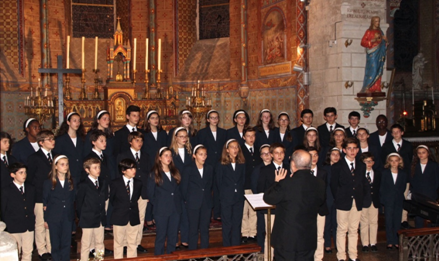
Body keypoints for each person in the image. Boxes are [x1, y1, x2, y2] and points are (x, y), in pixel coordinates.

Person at [263, 150, 326, 261]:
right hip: (307, 238)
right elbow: (321, 201)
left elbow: (268, 198)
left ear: (293, 164)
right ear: (310, 164)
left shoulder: (286, 183)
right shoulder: (319, 183)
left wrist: (277, 182)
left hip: (286, 239)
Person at [330, 137, 368, 261]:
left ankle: (353, 255)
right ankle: (341, 256)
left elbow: (362, 182)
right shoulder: (337, 166)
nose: (352, 151)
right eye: (349, 148)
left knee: (353, 229)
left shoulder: (361, 165)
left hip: (356, 201)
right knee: (342, 229)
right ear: (344, 150)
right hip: (343, 201)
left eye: (354, 148)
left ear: (358, 150)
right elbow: (334, 185)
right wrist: (339, 197)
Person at [116, 131, 150, 253]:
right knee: (126, 216)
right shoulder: (123, 155)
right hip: (128, 192)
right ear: (130, 142)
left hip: (142, 192)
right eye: (136, 140)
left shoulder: (146, 156)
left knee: (140, 218)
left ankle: (136, 242)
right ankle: (125, 243)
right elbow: (119, 174)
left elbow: (148, 175)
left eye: (141, 140)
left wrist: (148, 192)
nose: (139, 143)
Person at [257, 143, 290, 261]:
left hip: (286, 208)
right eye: (276, 153)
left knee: (285, 235)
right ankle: (268, 258)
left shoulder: (289, 168)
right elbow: (261, 190)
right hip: (271, 208)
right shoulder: (265, 170)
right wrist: (276, 182)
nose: (279, 155)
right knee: (270, 236)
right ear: (271, 155)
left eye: (282, 152)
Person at [147, 147, 182, 255]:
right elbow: (150, 193)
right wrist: (158, 203)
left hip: (174, 209)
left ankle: (171, 257)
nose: (169, 158)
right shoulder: (155, 173)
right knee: (161, 236)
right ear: (160, 157)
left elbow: (178, 191)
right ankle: (159, 257)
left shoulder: (175, 171)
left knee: (173, 236)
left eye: (170, 155)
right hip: (161, 209)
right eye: (166, 155)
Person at [26, 130, 55, 260]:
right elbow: (30, 179)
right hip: (39, 196)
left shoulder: (56, 156)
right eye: (49, 139)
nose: (52, 141)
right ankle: (42, 250)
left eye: (53, 139)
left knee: (51, 223)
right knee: (40, 224)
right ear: (41, 143)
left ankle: (51, 248)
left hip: (53, 196)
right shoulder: (34, 158)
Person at [42, 155, 76, 261]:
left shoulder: (70, 182)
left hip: (67, 216)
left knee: (66, 242)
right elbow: (45, 203)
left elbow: (72, 200)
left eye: (66, 164)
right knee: (55, 243)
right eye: (62, 164)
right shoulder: (49, 183)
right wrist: (46, 219)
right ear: (55, 166)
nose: (65, 167)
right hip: (54, 217)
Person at [180, 145, 214, 250]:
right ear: (194, 155)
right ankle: (192, 253)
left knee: (204, 229)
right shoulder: (188, 169)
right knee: (193, 229)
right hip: (193, 202)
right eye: (200, 154)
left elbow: (210, 185)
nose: (203, 157)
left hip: (206, 202)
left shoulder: (209, 168)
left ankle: (205, 253)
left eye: (205, 154)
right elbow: (184, 187)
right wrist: (188, 200)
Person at [196, 110, 227, 222]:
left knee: (219, 188)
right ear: (208, 120)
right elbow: (200, 148)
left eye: (216, 117)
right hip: (207, 164)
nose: (214, 120)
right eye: (212, 118)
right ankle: (206, 213)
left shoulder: (223, 132)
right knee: (207, 189)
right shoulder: (202, 133)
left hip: (220, 164)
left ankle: (217, 213)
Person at [1, 162, 36, 261]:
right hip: (13, 226)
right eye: (21, 173)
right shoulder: (6, 190)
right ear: (13, 175)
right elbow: (3, 209)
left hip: (28, 226)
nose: (24, 175)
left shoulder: (30, 188)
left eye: (25, 172)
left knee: (28, 251)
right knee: (16, 251)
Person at [110, 158, 142, 259]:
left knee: (132, 243)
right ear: (123, 170)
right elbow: (112, 200)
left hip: (133, 215)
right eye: (131, 168)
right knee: (119, 243)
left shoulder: (138, 183)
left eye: (134, 168)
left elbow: (135, 198)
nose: (134, 170)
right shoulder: (115, 183)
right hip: (119, 215)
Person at [76, 158, 108, 261]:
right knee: (86, 244)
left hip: (99, 218)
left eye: (99, 167)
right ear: (87, 170)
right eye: (95, 168)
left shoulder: (103, 182)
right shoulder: (83, 185)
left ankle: (98, 259)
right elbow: (79, 203)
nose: (98, 169)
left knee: (99, 242)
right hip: (87, 218)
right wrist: (82, 216)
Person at [216, 139, 246, 247]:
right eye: (232, 147)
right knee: (227, 224)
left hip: (238, 198)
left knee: (237, 223)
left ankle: (236, 248)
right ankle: (227, 249)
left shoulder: (241, 163)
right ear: (227, 150)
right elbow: (219, 182)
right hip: (226, 198)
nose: (235, 149)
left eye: (237, 147)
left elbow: (242, 180)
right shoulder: (221, 164)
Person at [169, 127, 192, 248]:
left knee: (186, 214)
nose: (184, 139)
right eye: (181, 136)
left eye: (185, 136)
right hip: (175, 187)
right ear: (175, 137)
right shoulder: (171, 152)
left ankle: (185, 238)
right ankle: (174, 239)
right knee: (176, 213)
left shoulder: (190, 152)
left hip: (188, 186)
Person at [380, 153, 407, 250]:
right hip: (388, 200)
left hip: (398, 200)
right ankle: (389, 241)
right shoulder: (385, 173)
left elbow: (403, 187)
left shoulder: (403, 173)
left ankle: (396, 241)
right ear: (388, 162)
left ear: (399, 161)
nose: (394, 163)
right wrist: (383, 199)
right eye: (392, 160)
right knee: (388, 220)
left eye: (396, 160)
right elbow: (382, 187)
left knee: (397, 220)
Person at [53, 112, 86, 188]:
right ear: (68, 122)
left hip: (81, 174)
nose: (77, 123)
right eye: (74, 121)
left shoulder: (82, 139)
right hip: (68, 174)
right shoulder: (60, 140)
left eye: (78, 121)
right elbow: (57, 156)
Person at [409, 145, 439, 228]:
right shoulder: (414, 166)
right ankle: (419, 238)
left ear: (428, 153)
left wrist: (433, 193)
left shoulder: (434, 165)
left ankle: (429, 238)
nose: (421, 155)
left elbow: (437, 181)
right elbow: (411, 180)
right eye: (419, 153)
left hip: (430, 195)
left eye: (423, 152)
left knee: (429, 217)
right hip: (418, 195)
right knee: (419, 217)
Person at [307, 147, 328, 261]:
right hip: (306, 209)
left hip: (320, 208)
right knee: (307, 235)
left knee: (320, 235)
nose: (313, 158)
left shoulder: (323, 172)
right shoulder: (301, 172)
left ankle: (318, 257)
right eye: (311, 155)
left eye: (316, 155)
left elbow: (325, 191)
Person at [241, 127, 261, 243]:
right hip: (244, 184)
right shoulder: (240, 150)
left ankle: (252, 233)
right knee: (244, 210)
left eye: (253, 136)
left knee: (254, 210)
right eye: (248, 136)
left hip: (255, 185)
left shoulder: (258, 150)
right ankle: (244, 232)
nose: (251, 138)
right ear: (244, 137)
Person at [251, 144, 272, 253]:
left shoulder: (276, 167)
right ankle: (262, 248)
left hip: (274, 201)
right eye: (264, 154)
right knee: (261, 226)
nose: (267, 156)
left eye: (269, 153)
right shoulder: (258, 169)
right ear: (261, 156)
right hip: (262, 200)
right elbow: (255, 185)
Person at [359, 152, 381, 252]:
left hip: (374, 200)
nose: (368, 163)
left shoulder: (377, 173)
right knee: (364, 222)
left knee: (373, 222)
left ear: (373, 162)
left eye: (370, 161)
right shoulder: (359, 174)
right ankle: (365, 244)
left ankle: (373, 243)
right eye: (366, 161)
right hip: (364, 201)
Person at [360, 16, 387, 93]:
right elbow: (362, 42)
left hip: (379, 53)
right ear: (372, 22)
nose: (377, 23)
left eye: (378, 21)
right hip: (372, 54)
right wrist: (372, 40)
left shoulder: (380, 32)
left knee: (379, 70)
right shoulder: (369, 31)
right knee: (373, 70)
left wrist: (386, 40)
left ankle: (376, 88)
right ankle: (367, 88)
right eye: (376, 21)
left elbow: (384, 43)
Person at [322, 148, 341, 254]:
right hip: (328, 198)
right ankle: (328, 245)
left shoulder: (342, 168)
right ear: (329, 156)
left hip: (338, 199)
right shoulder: (325, 169)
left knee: (337, 224)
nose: (336, 156)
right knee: (327, 223)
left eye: (338, 154)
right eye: (333, 154)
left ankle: (339, 245)